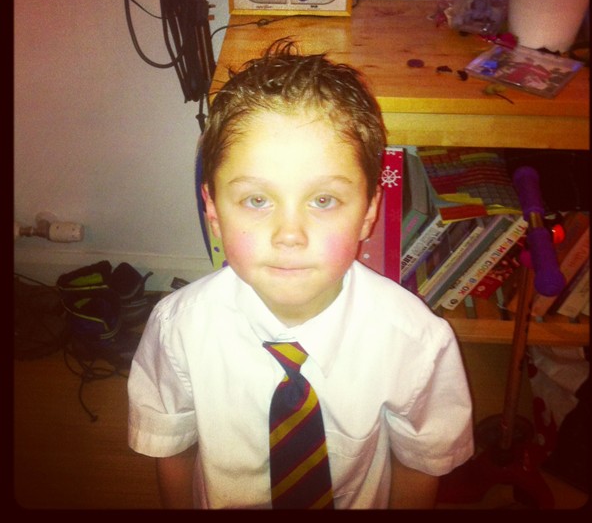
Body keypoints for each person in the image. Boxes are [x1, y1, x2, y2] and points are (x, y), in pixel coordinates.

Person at [127, 39, 474, 509]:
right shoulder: (178, 330)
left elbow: (419, 462)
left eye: (323, 200)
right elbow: (173, 446)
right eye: (257, 200)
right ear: (213, 210)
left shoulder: (417, 343)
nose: (289, 235)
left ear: (369, 212)